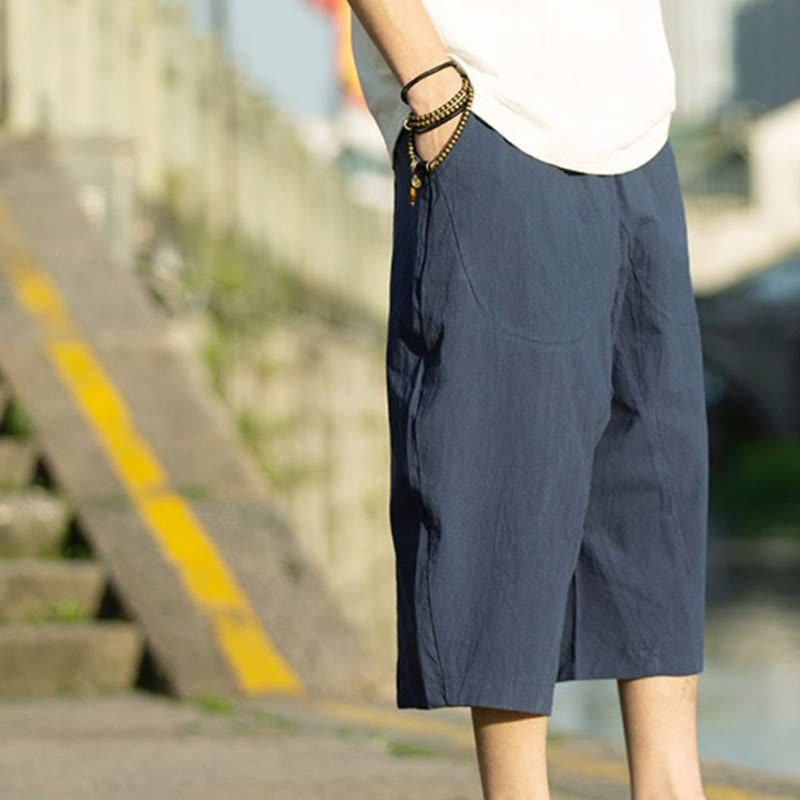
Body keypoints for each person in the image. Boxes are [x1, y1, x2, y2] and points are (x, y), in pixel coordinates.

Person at [347, 2, 710, 799]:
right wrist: (430, 87)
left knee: (658, 529)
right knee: (505, 515)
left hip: (636, 128)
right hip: (495, 114)